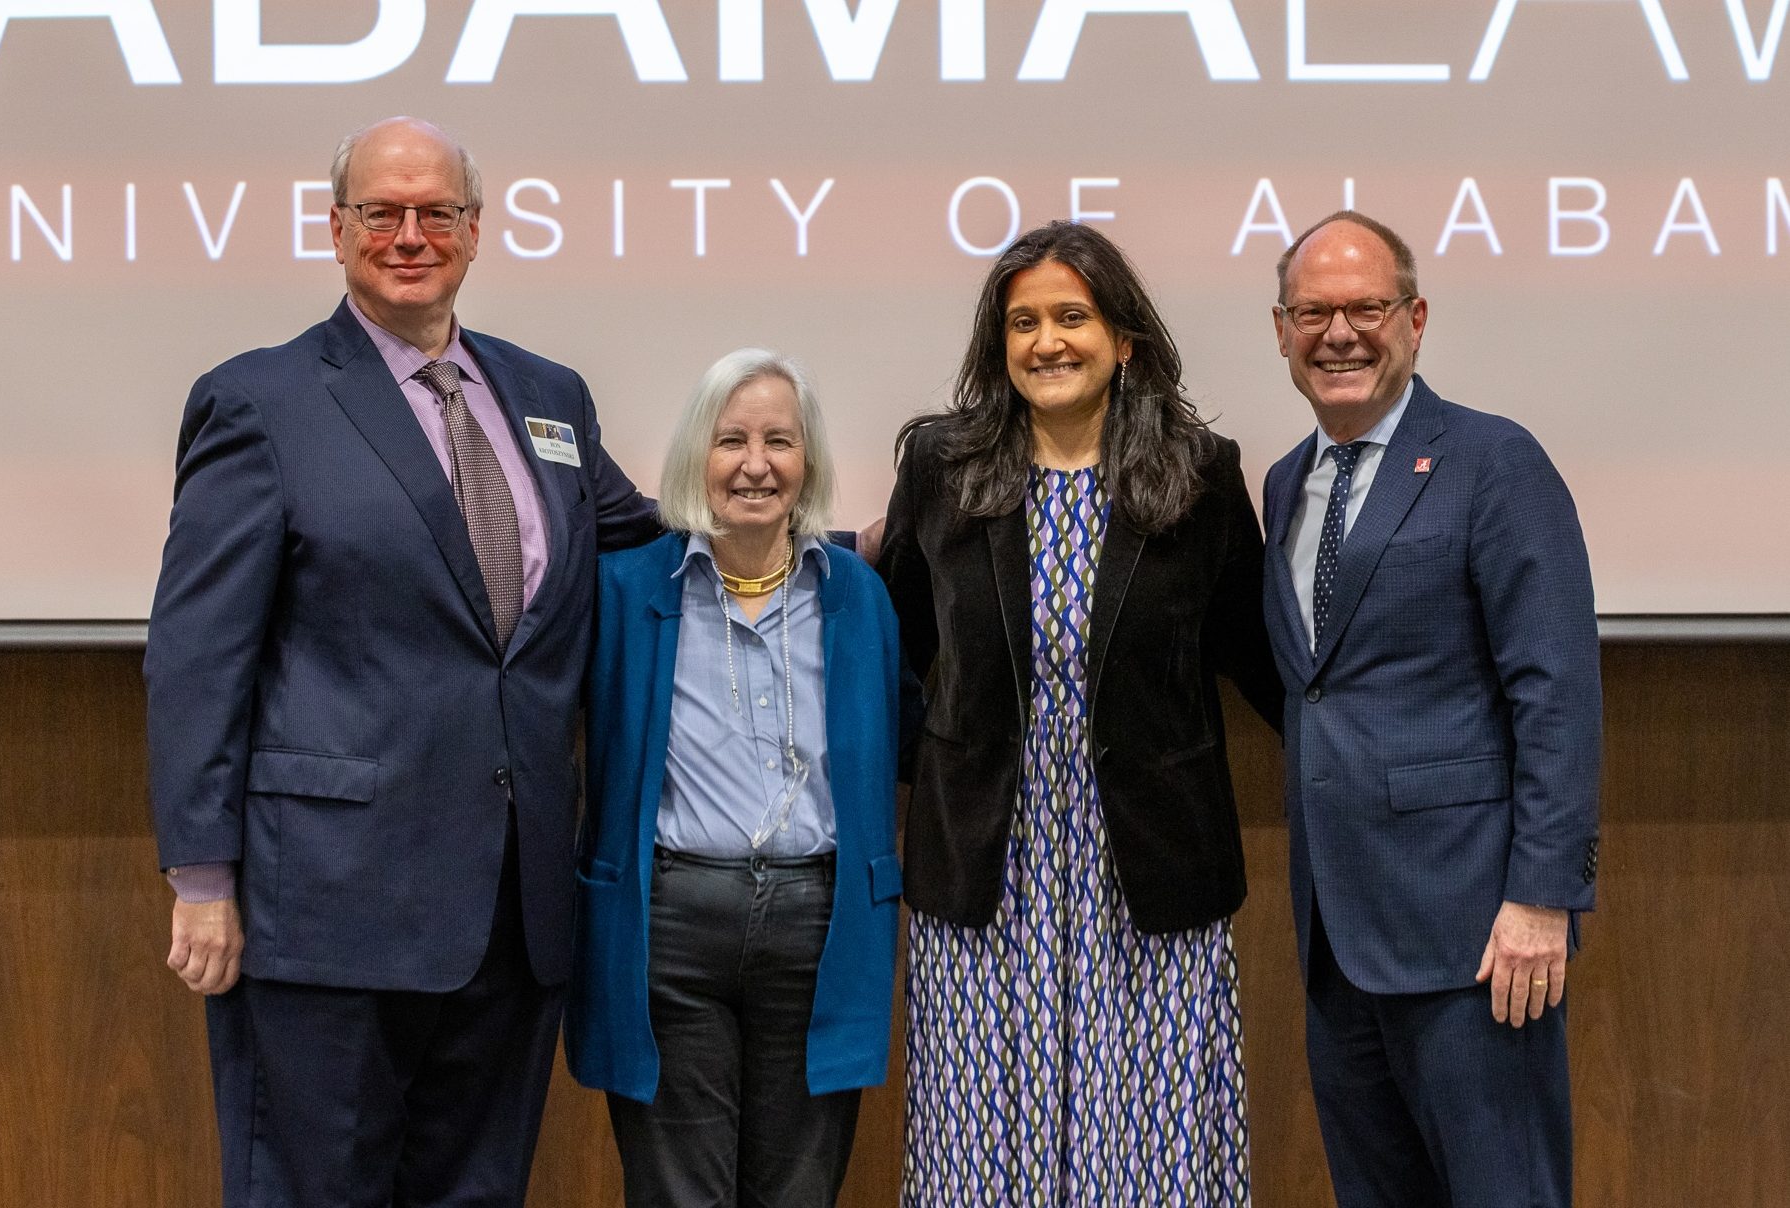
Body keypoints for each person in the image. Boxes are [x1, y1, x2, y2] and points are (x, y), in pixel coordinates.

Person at [144, 116, 662, 1206]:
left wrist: (830, 539)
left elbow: (657, 536)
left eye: (437, 212)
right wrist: (201, 876)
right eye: (383, 211)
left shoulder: (549, 397)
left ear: (476, 231)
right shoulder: (261, 401)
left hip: (512, 912)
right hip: (323, 909)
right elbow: (197, 657)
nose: (410, 234)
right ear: (337, 229)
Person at [879, 220, 1283, 1205]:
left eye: (1072, 316)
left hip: (1148, 880)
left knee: (1149, 1158)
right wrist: (933, 784)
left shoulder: (1200, 474)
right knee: (981, 1159)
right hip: (985, 879)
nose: (1047, 341)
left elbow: (1259, 658)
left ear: (1124, 340)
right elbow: (892, 652)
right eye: (1023, 322)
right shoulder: (942, 465)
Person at [1261, 211, 1602, 1208]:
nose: (1340, 332)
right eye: (1313, 311)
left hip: (1479, 938)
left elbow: (1560, 690)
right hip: (1339, 935)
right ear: (1279, 330)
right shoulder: (1287, 482)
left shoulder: (1494, 462)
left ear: (1413, 318)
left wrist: (1549, 895)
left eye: (1365, 307)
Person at [565, 348, 901, 1207]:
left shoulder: (857, 594)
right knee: (681, 1194)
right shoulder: (625, 589)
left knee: (798, 1193)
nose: (756, 464)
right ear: (693, 461)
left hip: (819, 929)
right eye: (731, 441)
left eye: (780, 442)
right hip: (668, 928)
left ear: (809, 463)